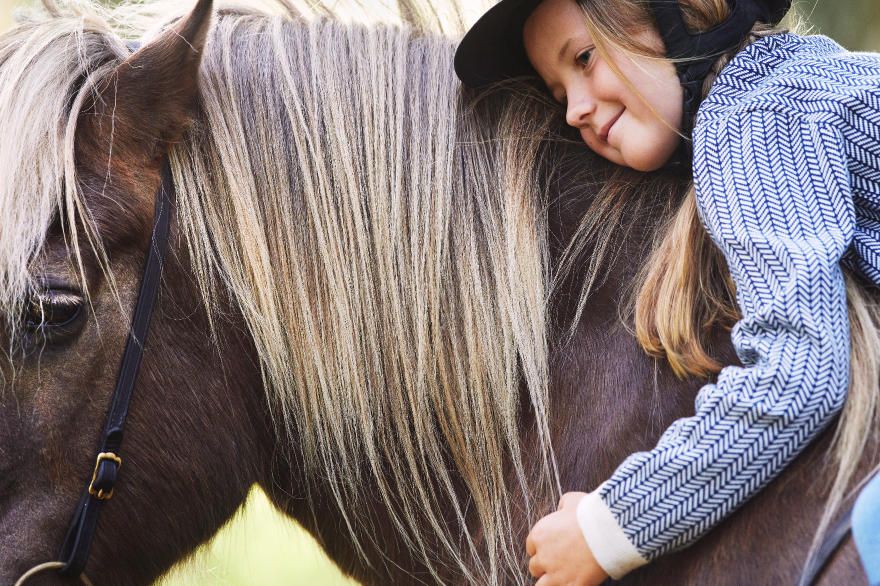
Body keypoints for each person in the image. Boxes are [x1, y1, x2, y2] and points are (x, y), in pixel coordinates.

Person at [455, 0, 880, 584]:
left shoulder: (753, 118)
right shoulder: (806, 73)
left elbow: (800, 373)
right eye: (559, 95)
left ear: (675, 16)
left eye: (584, 58)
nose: (577, 109)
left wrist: (607, 529)